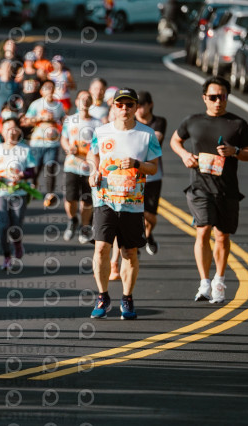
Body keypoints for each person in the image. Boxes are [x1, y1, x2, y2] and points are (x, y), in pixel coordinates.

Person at [170, 76, 248, 304]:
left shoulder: (238, 124)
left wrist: (235, 151)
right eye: (213, 97)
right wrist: (185, 155)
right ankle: (204, 282)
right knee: (203, 229)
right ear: (204, 98)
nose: (218, 101)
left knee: (222, 235)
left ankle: (219, 280)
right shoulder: (193, 121)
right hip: (199, 186)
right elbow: (175, 141)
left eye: (223, 97)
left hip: (227, 189)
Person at [88, 88, 161, 320]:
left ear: (136, 107)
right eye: (120, 104)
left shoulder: (147, 134)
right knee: (101, 248)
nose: (124, 109)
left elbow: (154, 168)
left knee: (129, 252)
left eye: (129, 104)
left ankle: (127, 298)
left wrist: (137, 164)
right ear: (114, 107)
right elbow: (93, 155)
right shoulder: (102, 131)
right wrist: (93, 171)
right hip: (105, 199)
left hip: (132, 203)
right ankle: (102, 296)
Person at [0, 117, 36, 270]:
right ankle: (7, 256)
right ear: (2, 132)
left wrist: (22, 175)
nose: (11, 132)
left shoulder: (24, 149)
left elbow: (31, 171)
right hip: (0, 192)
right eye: (7, 129)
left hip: (19, 192)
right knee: (3, 225)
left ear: (19, 131)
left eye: (14, 129)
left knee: (15, 226)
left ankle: (17, 244)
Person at [60, 91, 101, 243]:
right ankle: (72, 220)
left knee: (87, 201)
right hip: (72, 166)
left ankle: (85, 227)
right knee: (70, 198)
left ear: (92, 102)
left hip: (89, 168)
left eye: (88, 98)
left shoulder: (98, 123)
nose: (85, 101)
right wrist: (67, 148)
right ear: (76, 101)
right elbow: (64, 138)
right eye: (82, 98)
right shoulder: (70, 120)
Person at [21, 79, 65, 207]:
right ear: (41, 91)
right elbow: (26, 121)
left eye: (52, 88)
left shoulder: (59, 105)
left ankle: (50, 194)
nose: (50, 90)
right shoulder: (36, 104)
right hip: (38, 142)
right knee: (36, 167)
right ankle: (32, 185)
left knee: (50, 167)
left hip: (53, 143)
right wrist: (41, 118)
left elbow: (63, 119)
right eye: (46, 88)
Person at [136, 91, 167, 255]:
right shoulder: (130, 122)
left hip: (154, 176)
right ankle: (136, 243)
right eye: (136, 105)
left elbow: (156, 140)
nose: (139, 109)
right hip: (134, 177)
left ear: (150, 105)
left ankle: (148, 235)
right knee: (135, 212)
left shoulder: (159, 121)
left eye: (142, 105)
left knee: (151, 215)